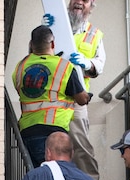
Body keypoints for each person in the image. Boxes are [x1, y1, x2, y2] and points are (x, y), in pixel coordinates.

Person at [43, 0, 105, 180]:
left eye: (84, 0)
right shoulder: (55, 26)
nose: (79, 1)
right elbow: (37, 50)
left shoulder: (95, 34)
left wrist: (87, 63)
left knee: (81, 147)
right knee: (50, 147)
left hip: (76, 100)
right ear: (69, 2)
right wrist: (44, 28)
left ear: (90, 7)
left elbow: (99, 65)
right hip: (52, 97)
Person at [12, 24, 90, 167]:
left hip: (27, 132)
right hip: (54, 133)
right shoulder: (63, 67)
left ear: (31, 44)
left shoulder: (20, 67)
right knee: (55, 178)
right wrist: (87, 95)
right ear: (52, 43)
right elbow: (82, 99)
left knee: (37, 177)